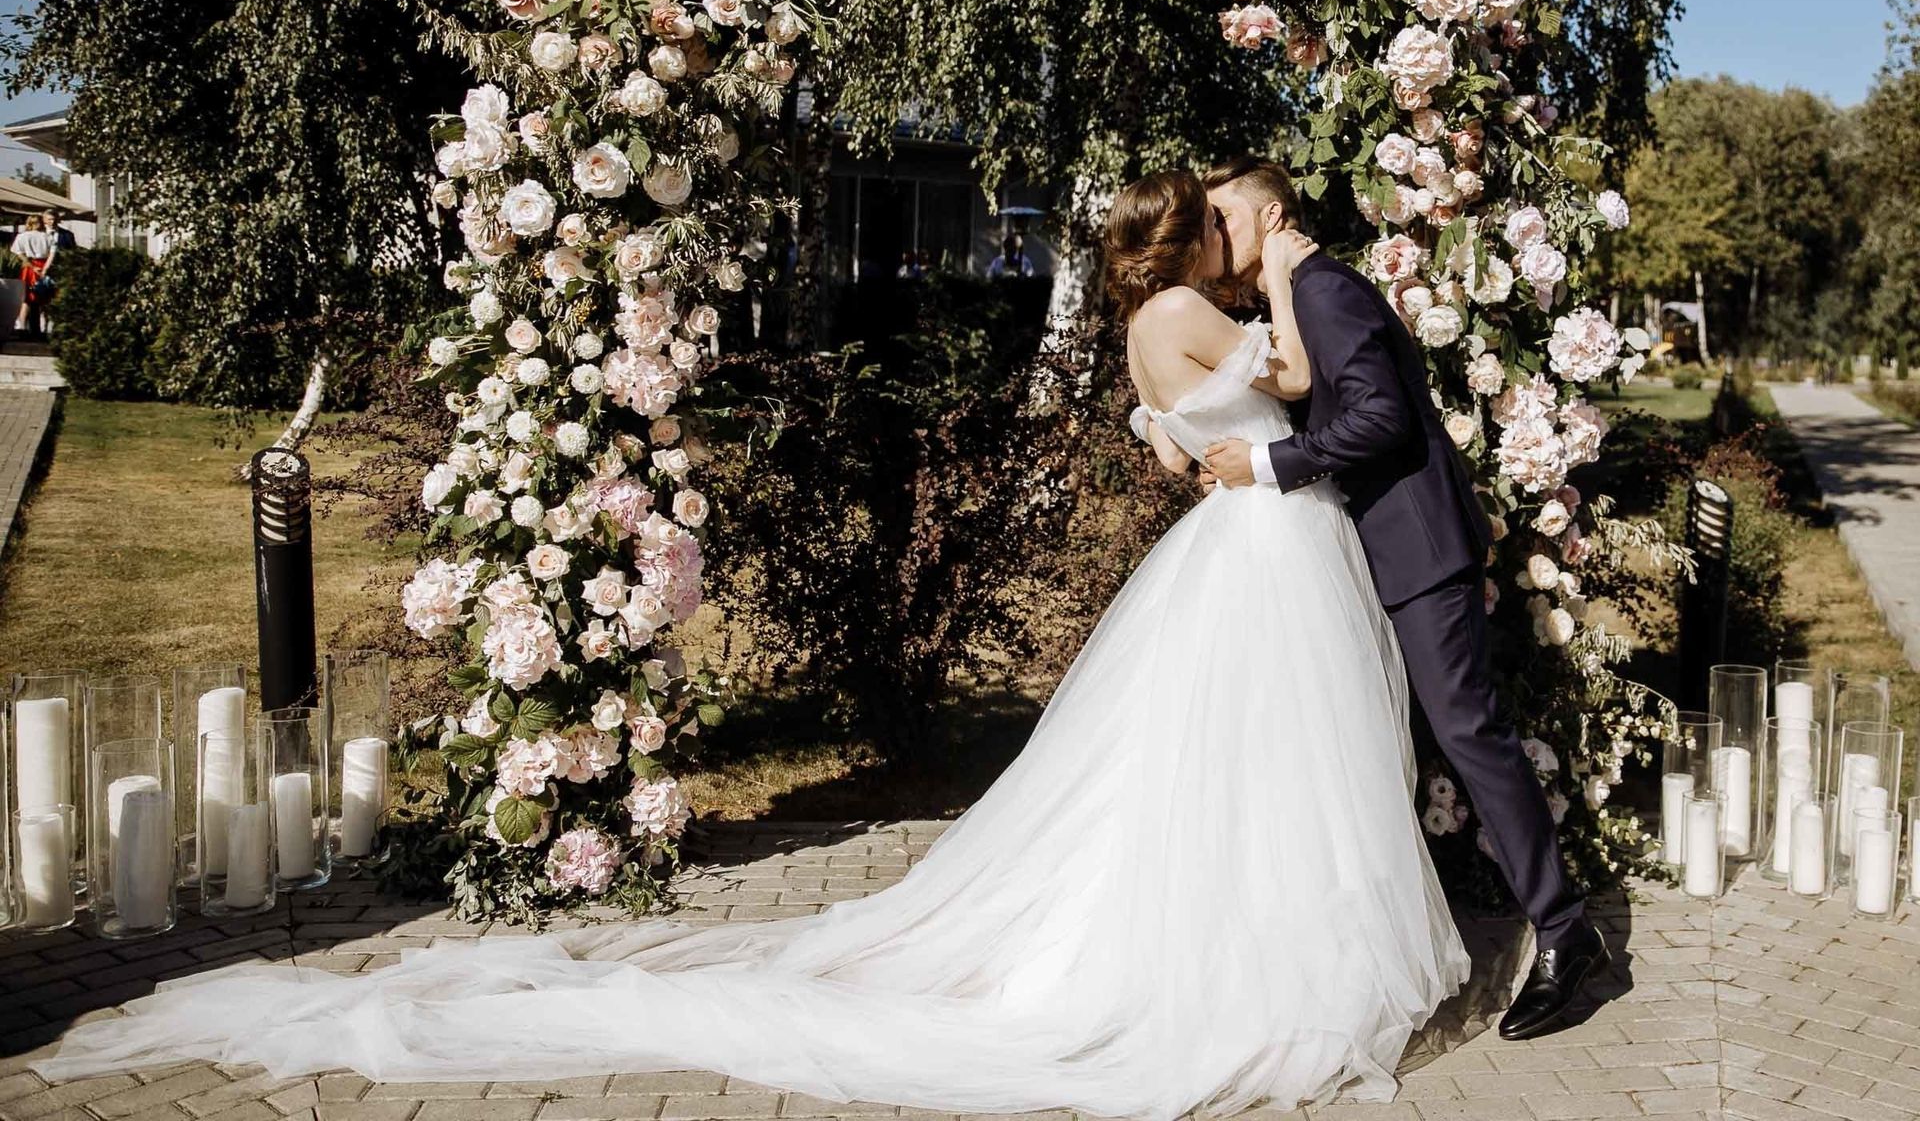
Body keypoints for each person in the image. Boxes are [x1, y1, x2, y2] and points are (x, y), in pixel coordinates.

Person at [38, 170, 1471, 1118]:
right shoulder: (1199, 309)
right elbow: (1300, 379)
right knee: (1270, 755)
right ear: (1181, 240)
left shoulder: (1145, 331)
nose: (1228, 235)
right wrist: (1295, 265)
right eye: (1212, 221)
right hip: (1266, 548)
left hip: (1233, 545)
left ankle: (1231, 932)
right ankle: (1265, 952)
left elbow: (1171, 441)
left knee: (1218, 759)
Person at [1194, 156, 1607, 1041]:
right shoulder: (1294, 296)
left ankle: (1569, 938)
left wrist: (1264, 464)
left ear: (1272, 217)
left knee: (1469, 733)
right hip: (1369, 554)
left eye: (1223, 215)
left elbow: (1379, 418)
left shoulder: (1324, 290)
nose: (1211, 231)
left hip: (1416, 550)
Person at [8, 213, 55, 338]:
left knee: (27, 299)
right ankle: (42, 328)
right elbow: (52, 254)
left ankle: (22, 327)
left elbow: (18, 252)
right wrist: (45, 269)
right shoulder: (48, 237)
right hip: (44, 265)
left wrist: (31, 265)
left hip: (29, 266)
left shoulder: (22, 236)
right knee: (44, 298)